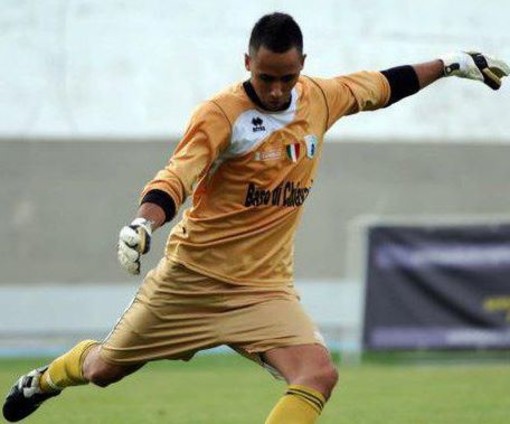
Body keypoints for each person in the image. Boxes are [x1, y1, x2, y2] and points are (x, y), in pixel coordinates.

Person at [3, 12, 509, 424]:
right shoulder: (222, 114)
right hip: (190, 283)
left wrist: (450, 63)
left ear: (302, 65)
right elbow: (177, 175)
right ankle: (45, 379)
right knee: (102, 370)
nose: (275, 89)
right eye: (265, 77)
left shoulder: (320, 97)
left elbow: (384, 85)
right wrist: (143, 223)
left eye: (286, 77)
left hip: (264, 288)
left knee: (318, 375)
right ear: (247, 62)